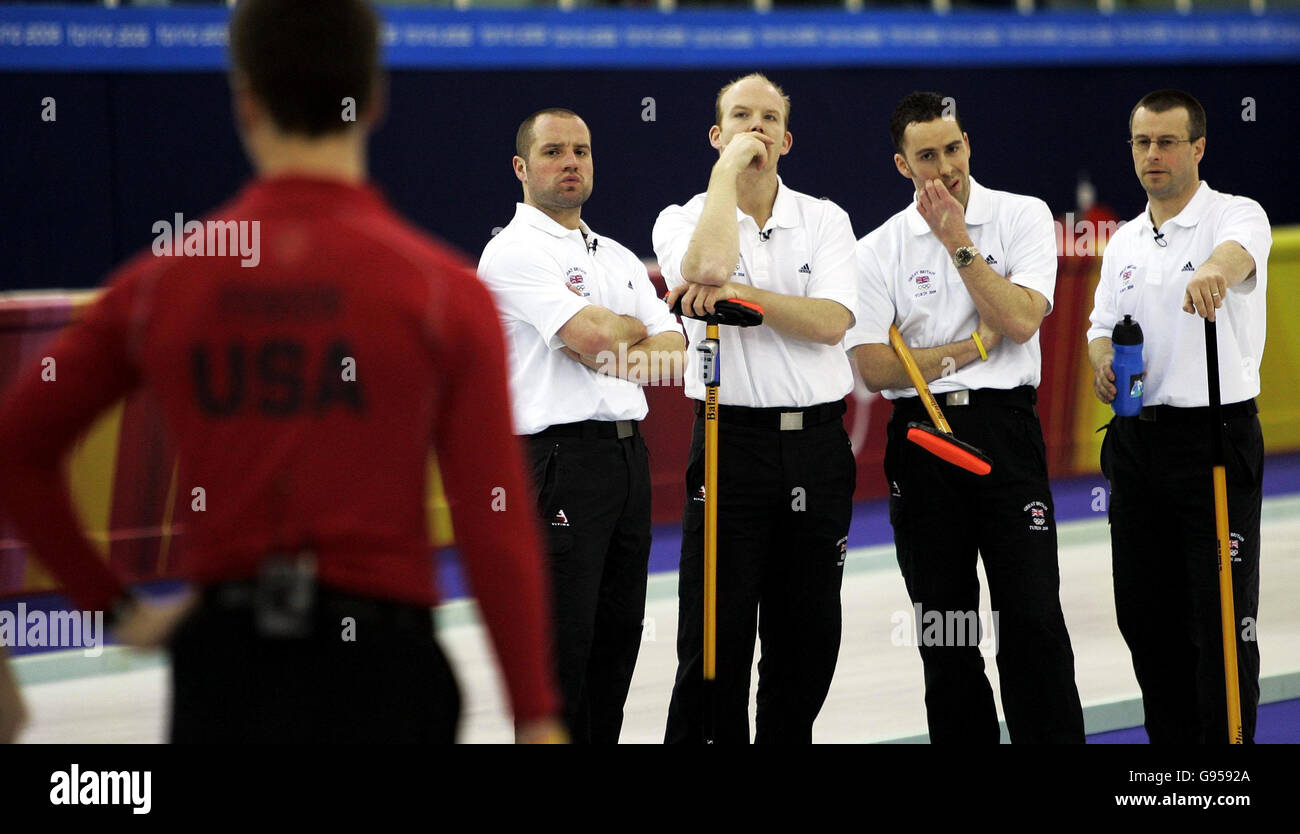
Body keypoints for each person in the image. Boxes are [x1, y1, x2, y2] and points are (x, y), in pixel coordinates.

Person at [0, 0, 562, 744]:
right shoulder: (439, 292)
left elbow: (18, 450)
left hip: (231, 671)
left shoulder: (163, 286)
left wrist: (112, 607)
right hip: (386, 676)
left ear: (245, 101)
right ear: (375, 97)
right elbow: (495, 517)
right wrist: (535, 713)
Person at [847, 91, 1084, 743]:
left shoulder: (1021, 215)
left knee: (1032, 620)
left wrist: (957, 242)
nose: (946, 167)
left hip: (1005, 431)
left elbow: (1020, 319)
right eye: (928, 156)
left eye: (953, 149)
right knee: (944, 632)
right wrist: (971, 347)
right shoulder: (877, 250)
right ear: (902, 166)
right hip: (921, 444)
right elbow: (874, 368)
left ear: (968, 143)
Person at [654, 74, 858, 744]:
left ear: (788, 138)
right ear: (717, 136)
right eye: (740, 117)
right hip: (727, 446)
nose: (756, 129)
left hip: (817, 449)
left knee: (807, 636)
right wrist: (724, 177)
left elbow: (831, 322)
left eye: (769, 119)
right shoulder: (681, 218)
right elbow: (704, 269)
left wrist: (747, 299)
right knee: (716, 635)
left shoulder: (826, 219)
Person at [477, 108, 686, 743]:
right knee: (560, 651)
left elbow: (675, 347)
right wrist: (626, 331)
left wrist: (609, 338)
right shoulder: (511, 252)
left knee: (616, 645)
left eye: (582, 150)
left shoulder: (617, 255)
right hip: (556, 464)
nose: (571, 162)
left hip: (627, 462)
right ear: (521, 168)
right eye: (553, 152)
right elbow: (597, 335)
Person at [1087, 90, 1270, 744]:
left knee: (1219, 619)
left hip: (1213, 440)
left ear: (1197, 147)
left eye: (1167, 142)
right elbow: (1100, 324)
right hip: (1137, 445)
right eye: (1142, 143)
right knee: (1144, 618)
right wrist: (1102, 359)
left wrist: (1213, 275)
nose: (1153, 155)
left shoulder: (1236, 215)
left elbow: (1237, 256)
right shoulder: (1125, 240)